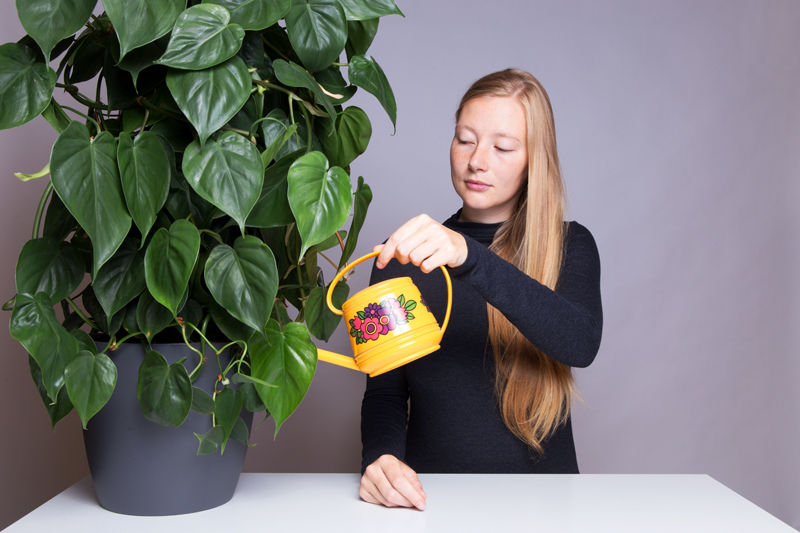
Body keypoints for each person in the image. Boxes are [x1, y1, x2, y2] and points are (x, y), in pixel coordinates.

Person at [358, 69, 603, 511]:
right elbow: (385, 395)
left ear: (534, 158)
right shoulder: (402, 259)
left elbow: (580, 343)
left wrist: (470, 256)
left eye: (502, 147)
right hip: (431, 507)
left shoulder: (571, 244)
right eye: (465, 139)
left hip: (549, 511)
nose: (477, 161)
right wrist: (381, 460)